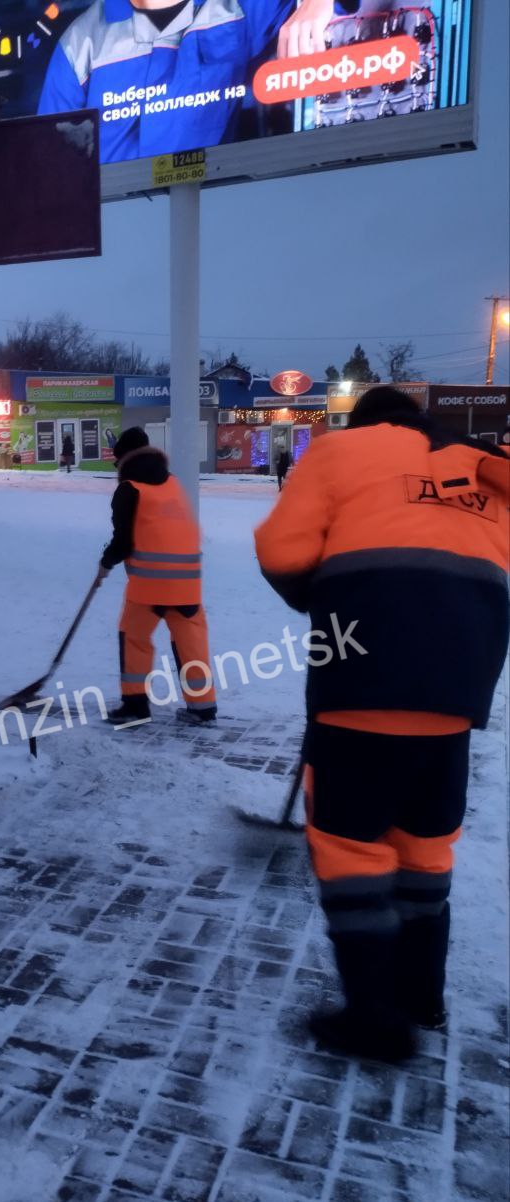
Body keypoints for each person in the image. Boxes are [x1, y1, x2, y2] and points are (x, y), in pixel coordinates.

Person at [254, 386, 509, 1062]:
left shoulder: (340, 451)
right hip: (457, 694)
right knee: (424, 848)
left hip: (362, 676)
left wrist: (321, 596)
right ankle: (422, 999)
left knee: (351, 847)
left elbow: (281, 551)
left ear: (363, 422)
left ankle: (374, 1019)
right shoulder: (482, 467)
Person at [37, 0, 343, 164]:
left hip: (215, 222)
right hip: (114, 237)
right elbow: (49, 171)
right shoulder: (80, 45)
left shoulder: (235, 7)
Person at [99, 426, 218, 727]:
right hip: (188, 585)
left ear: (123, 459)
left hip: (149, 586)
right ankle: (202, 708)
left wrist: (105, 563)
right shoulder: (173, 484)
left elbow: (123, 540)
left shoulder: (130, 489)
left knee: (135, 639)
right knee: (191, 644)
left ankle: (135, 706)